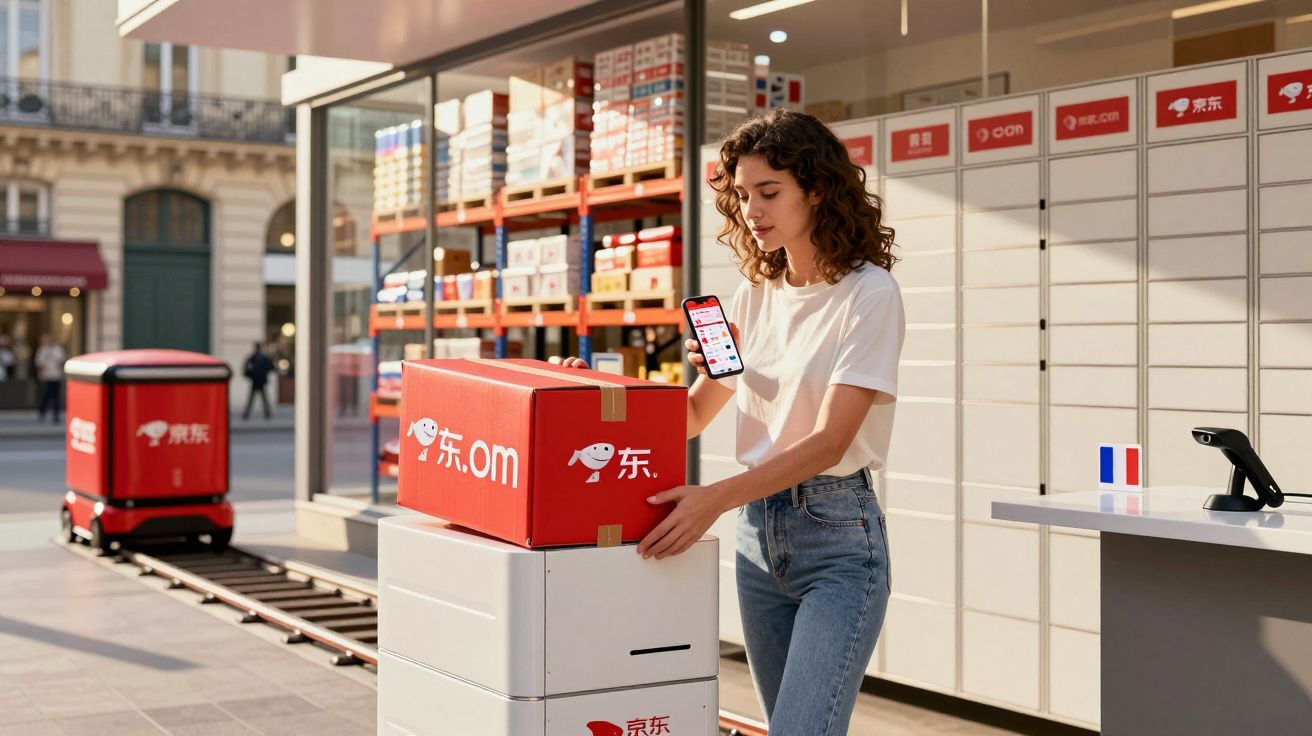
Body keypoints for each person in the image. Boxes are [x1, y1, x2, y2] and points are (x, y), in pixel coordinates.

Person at [563, 108, 905, 735]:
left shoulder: (869, 294)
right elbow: (692, 417)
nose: (752, 210)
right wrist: (592, 393)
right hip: (757, 535)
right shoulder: (754, 295)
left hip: (837, 540)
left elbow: (830, 442)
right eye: (743, 195)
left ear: (819, 189)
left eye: (769, 192)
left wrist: (711, 500)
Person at [34, 334, 67, 423]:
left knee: (56, 396)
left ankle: (56, 415)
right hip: (46, 376)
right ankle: (42, 412)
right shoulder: (42, 350)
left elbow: (61, 360)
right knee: (46, 395)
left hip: (56, 376)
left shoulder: (57, 350)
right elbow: (39, 363)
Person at [241, 341, 275, 420]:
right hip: (257, 381)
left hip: (259, 381)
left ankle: (266, 414)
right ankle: (265, 414)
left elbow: (271, 367)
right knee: (254, 399)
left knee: (259, 399)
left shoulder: (260, 358)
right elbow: (246, 368)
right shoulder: (255, 358)